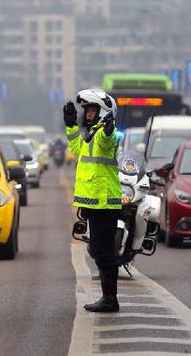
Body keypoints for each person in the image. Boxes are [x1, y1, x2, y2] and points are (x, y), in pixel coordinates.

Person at [63, 88, 122, 313]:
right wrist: (70, 125)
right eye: (86, 110)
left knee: (103, 252)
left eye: (92, 110)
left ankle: (110, 299)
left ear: (104, 112)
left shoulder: (107, 134)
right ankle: (109, 298)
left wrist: (108, 130)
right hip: (94, 203)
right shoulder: (90, 134)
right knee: (97, 250)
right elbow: (77, 148)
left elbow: (107, 142)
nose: (87, 114)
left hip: (104, 202)